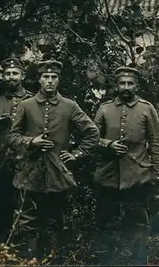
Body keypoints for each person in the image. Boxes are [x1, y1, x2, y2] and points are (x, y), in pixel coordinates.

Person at [8, 60, 99, 261]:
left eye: (54, 77)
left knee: (56, 220)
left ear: (58, 80)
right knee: (27, 220)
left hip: (57, 173)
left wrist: (76, 154)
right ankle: (31, 261)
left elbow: (92, 132)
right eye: (45, 77)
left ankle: (55, 259)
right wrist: (32, 141)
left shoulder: (69, 105)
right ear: (39, 79)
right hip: (29, 172)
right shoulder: (26, 105)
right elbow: (12, 137)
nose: (49, 81)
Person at [93, 66, 159, 265]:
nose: (126, 87)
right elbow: (91, 138)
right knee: (105, 222)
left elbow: (158, 142)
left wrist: (157, 175)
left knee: (138, 223)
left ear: (136, 85)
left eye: (130, 83)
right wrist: (107, 145)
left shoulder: (146, 108)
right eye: (122, 83)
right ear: (116, 86)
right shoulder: (105, 108)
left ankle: (138, 261)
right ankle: (106, 260)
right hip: (108, 176)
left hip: (137, 176)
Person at [0, 57, 34, 243]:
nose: (11, 77)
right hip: (3, 161)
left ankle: (23, 242)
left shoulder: (32, 100)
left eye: (15, 73)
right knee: (2, 203)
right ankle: (1, 244)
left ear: (22, 75)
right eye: (7, 73)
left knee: (25, 203)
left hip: (26, 160)